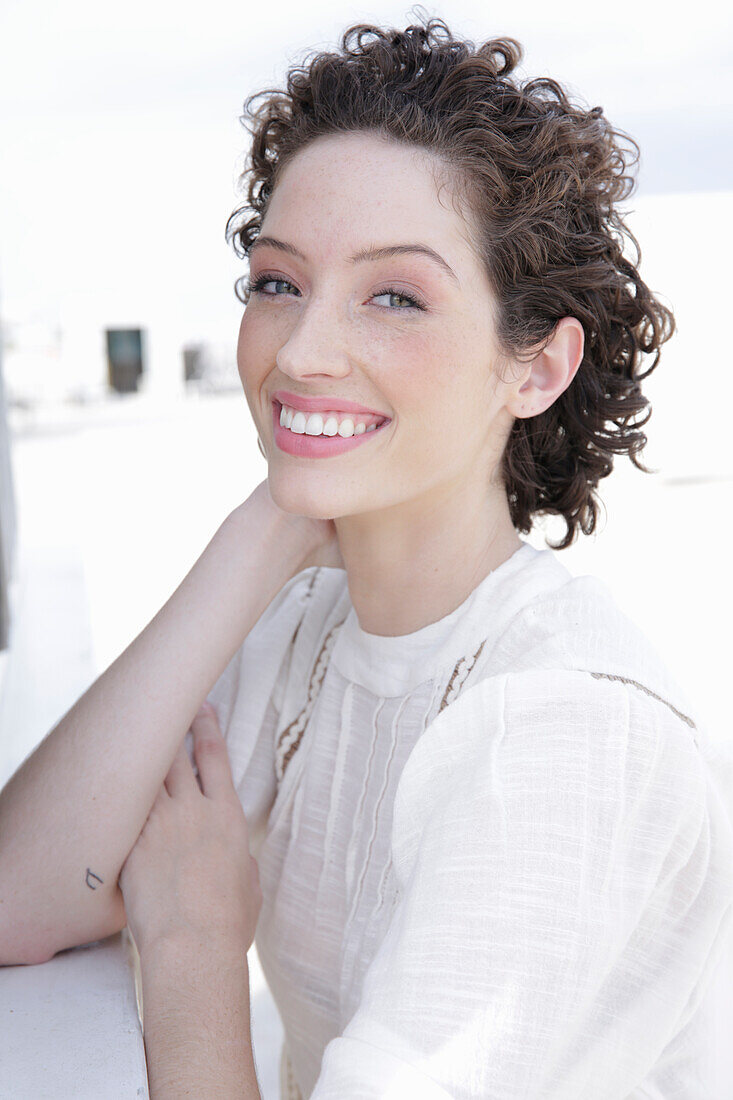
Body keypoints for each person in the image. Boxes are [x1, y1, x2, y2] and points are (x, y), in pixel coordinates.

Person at [1, 13, 731, 1100]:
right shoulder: (306, 626)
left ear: (533, 369)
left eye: (394, 295)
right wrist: (264, 529)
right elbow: (24, 896)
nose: (301, 350)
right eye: (276, 281)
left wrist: (199, 955)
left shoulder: (566, 730)